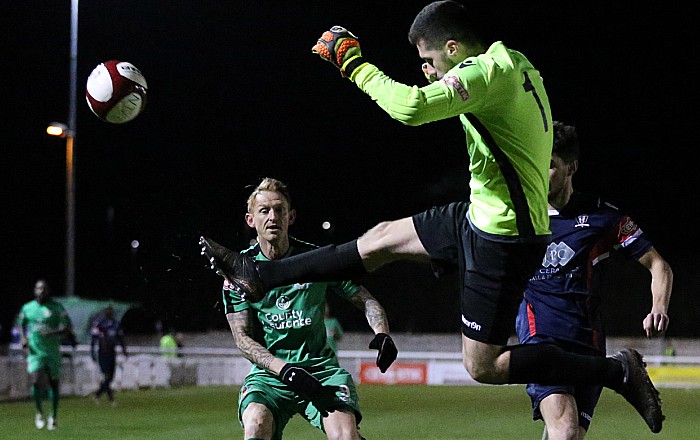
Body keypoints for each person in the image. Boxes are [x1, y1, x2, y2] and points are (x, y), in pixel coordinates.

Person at [200, 0, 663, 433]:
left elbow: (411, 108)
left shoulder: (486, 74)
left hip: (503, 238)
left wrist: (352, 63)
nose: (428, 70)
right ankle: (260, 274)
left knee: (482, 366)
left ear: (453, 48)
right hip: (479, 215)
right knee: (380, 239)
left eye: (429, 58)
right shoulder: (515, 63)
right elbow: (469, 108)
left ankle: (616, 370)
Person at [515, 122, 673, 440]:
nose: (539, 172)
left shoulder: (604, 217)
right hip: (541, 338)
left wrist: (659, 306)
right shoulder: (516, 215)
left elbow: (658, 264)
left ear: (571, 167)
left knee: (566, 434)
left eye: (549, 165)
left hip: (588, 346)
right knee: (564, 429)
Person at [220, 177, 397, 440]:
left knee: (346, 436)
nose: (272, 217)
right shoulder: (240, 273)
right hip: (270, 376)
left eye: (279, 210)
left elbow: (366, 299)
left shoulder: (316, 261)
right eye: (264, 211)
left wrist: (382, 332)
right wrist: (284, 369)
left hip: (320, 370)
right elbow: (242, 339)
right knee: (256, 425)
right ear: (250, 220)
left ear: (290, 217)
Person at [18, 279, 73, 431]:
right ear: (34, 290)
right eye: (38, 288)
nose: (41, 291)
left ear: (48, 291)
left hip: (52, 352)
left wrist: (52, 332)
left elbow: (68, 327)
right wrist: (23, 337)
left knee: (53, 383)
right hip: (35, 352)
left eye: (44, 288)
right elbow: (20, 323)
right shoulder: (28, 308)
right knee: (35, 380)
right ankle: (39, 413)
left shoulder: (56, 307)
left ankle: (53, 416)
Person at [91, 305, 128, 405]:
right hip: (103, 352)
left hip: (112, 352)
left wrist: (124, 351)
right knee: (106, 376)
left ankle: (97, 395)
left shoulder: (116, 324)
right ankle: (111, 399)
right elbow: (94, 340)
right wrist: (92, 353)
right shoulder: (99, 325)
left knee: (111, 377)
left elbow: (121, 338)